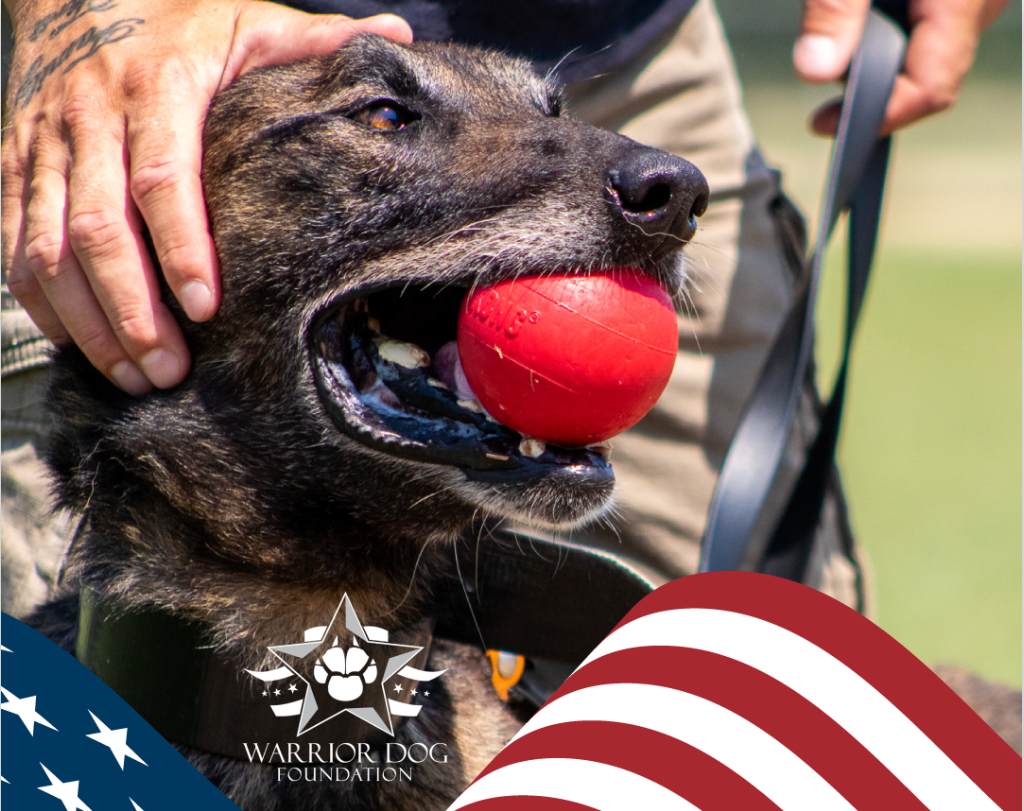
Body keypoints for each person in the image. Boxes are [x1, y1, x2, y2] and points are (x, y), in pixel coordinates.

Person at [0, 0, 1008, 618]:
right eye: (388, 115)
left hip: (615, 36)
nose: (666, 195)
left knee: (755, 744)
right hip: (135, 68)